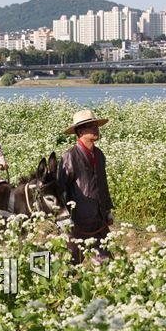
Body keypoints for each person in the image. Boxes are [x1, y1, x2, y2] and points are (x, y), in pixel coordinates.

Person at [58, 109, 114, 265]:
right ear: (81, 131)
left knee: (107, 264)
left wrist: (108, 210)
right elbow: (61, 189)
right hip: (77, 223)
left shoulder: (99, 155)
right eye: (91, 126)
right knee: (70, 265)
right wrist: (63, 218)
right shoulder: (69, 156)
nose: (96, 129)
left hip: (99, 220)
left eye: (96, 125)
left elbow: (103, 185)